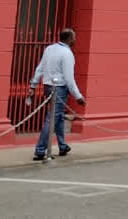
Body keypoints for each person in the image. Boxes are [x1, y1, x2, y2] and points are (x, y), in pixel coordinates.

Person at [28, 28, 85, 161]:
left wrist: (33, 85)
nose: (75, 40)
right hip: (59, 88)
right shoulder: (67, 53)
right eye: (74, 38)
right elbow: (69, 78)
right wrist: (78, 96)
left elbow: (40, 68)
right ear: (70, 39)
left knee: (57, 116)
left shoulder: (49, 49)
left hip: (48, 87)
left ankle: (62, 146)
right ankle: (40, 149)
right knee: (52, 119)